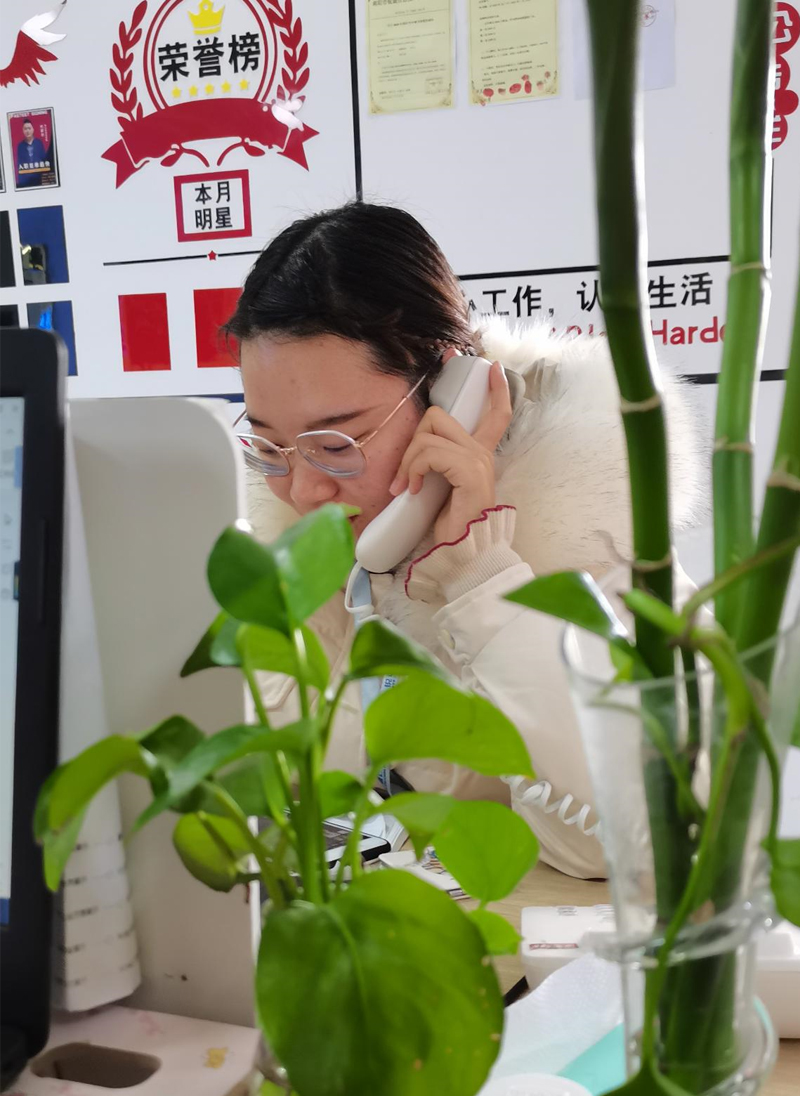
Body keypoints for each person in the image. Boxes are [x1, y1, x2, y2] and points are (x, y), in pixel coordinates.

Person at [226, 202, 705, 879]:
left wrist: (482, 581)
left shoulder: (599, 546)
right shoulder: (293, 567)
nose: (303, 490)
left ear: (453, 393)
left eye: (335, 443)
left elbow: (637, 846)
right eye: (271, 447)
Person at [15, 118, 48, 188]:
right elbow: (19, 165)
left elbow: (44, 160)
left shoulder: (39, 143)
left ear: (33, 129)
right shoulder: (20, 146)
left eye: (29, 128)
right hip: (26, 180)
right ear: (23, 131)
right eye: (25, 129)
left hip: (39, 178)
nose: (27, 131)